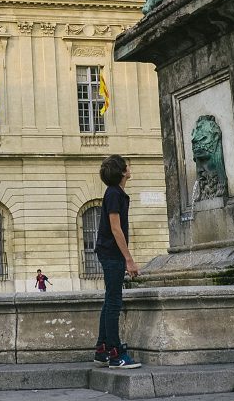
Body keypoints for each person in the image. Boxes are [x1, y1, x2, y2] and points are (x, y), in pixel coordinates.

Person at [93, 154, 141, 369]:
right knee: (114, 303)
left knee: (110, 300)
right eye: (126, 166)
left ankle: (102, 349)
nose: (129, 167)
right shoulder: (114, 194)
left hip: (110, 252)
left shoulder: (117, 193)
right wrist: (128, 259)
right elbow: (115, 228)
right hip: (112, 253)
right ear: (122, 172)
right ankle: (115, 353)